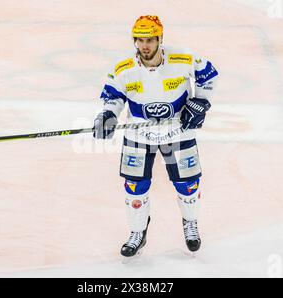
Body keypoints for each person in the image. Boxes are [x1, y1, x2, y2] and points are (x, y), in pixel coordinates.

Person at [93, 15, 218, 257]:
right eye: (139, 40)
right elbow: (113, 96)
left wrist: (201, 101)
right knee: (135, 185)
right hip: (139, 134)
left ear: (160, 39)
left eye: (150, 39)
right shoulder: (123, 69)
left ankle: (190, 223)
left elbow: (209, 76)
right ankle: (137, 232)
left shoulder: (183, 58)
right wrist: (107, 115)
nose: (145, 45)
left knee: (187, 183)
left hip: (178, 131)